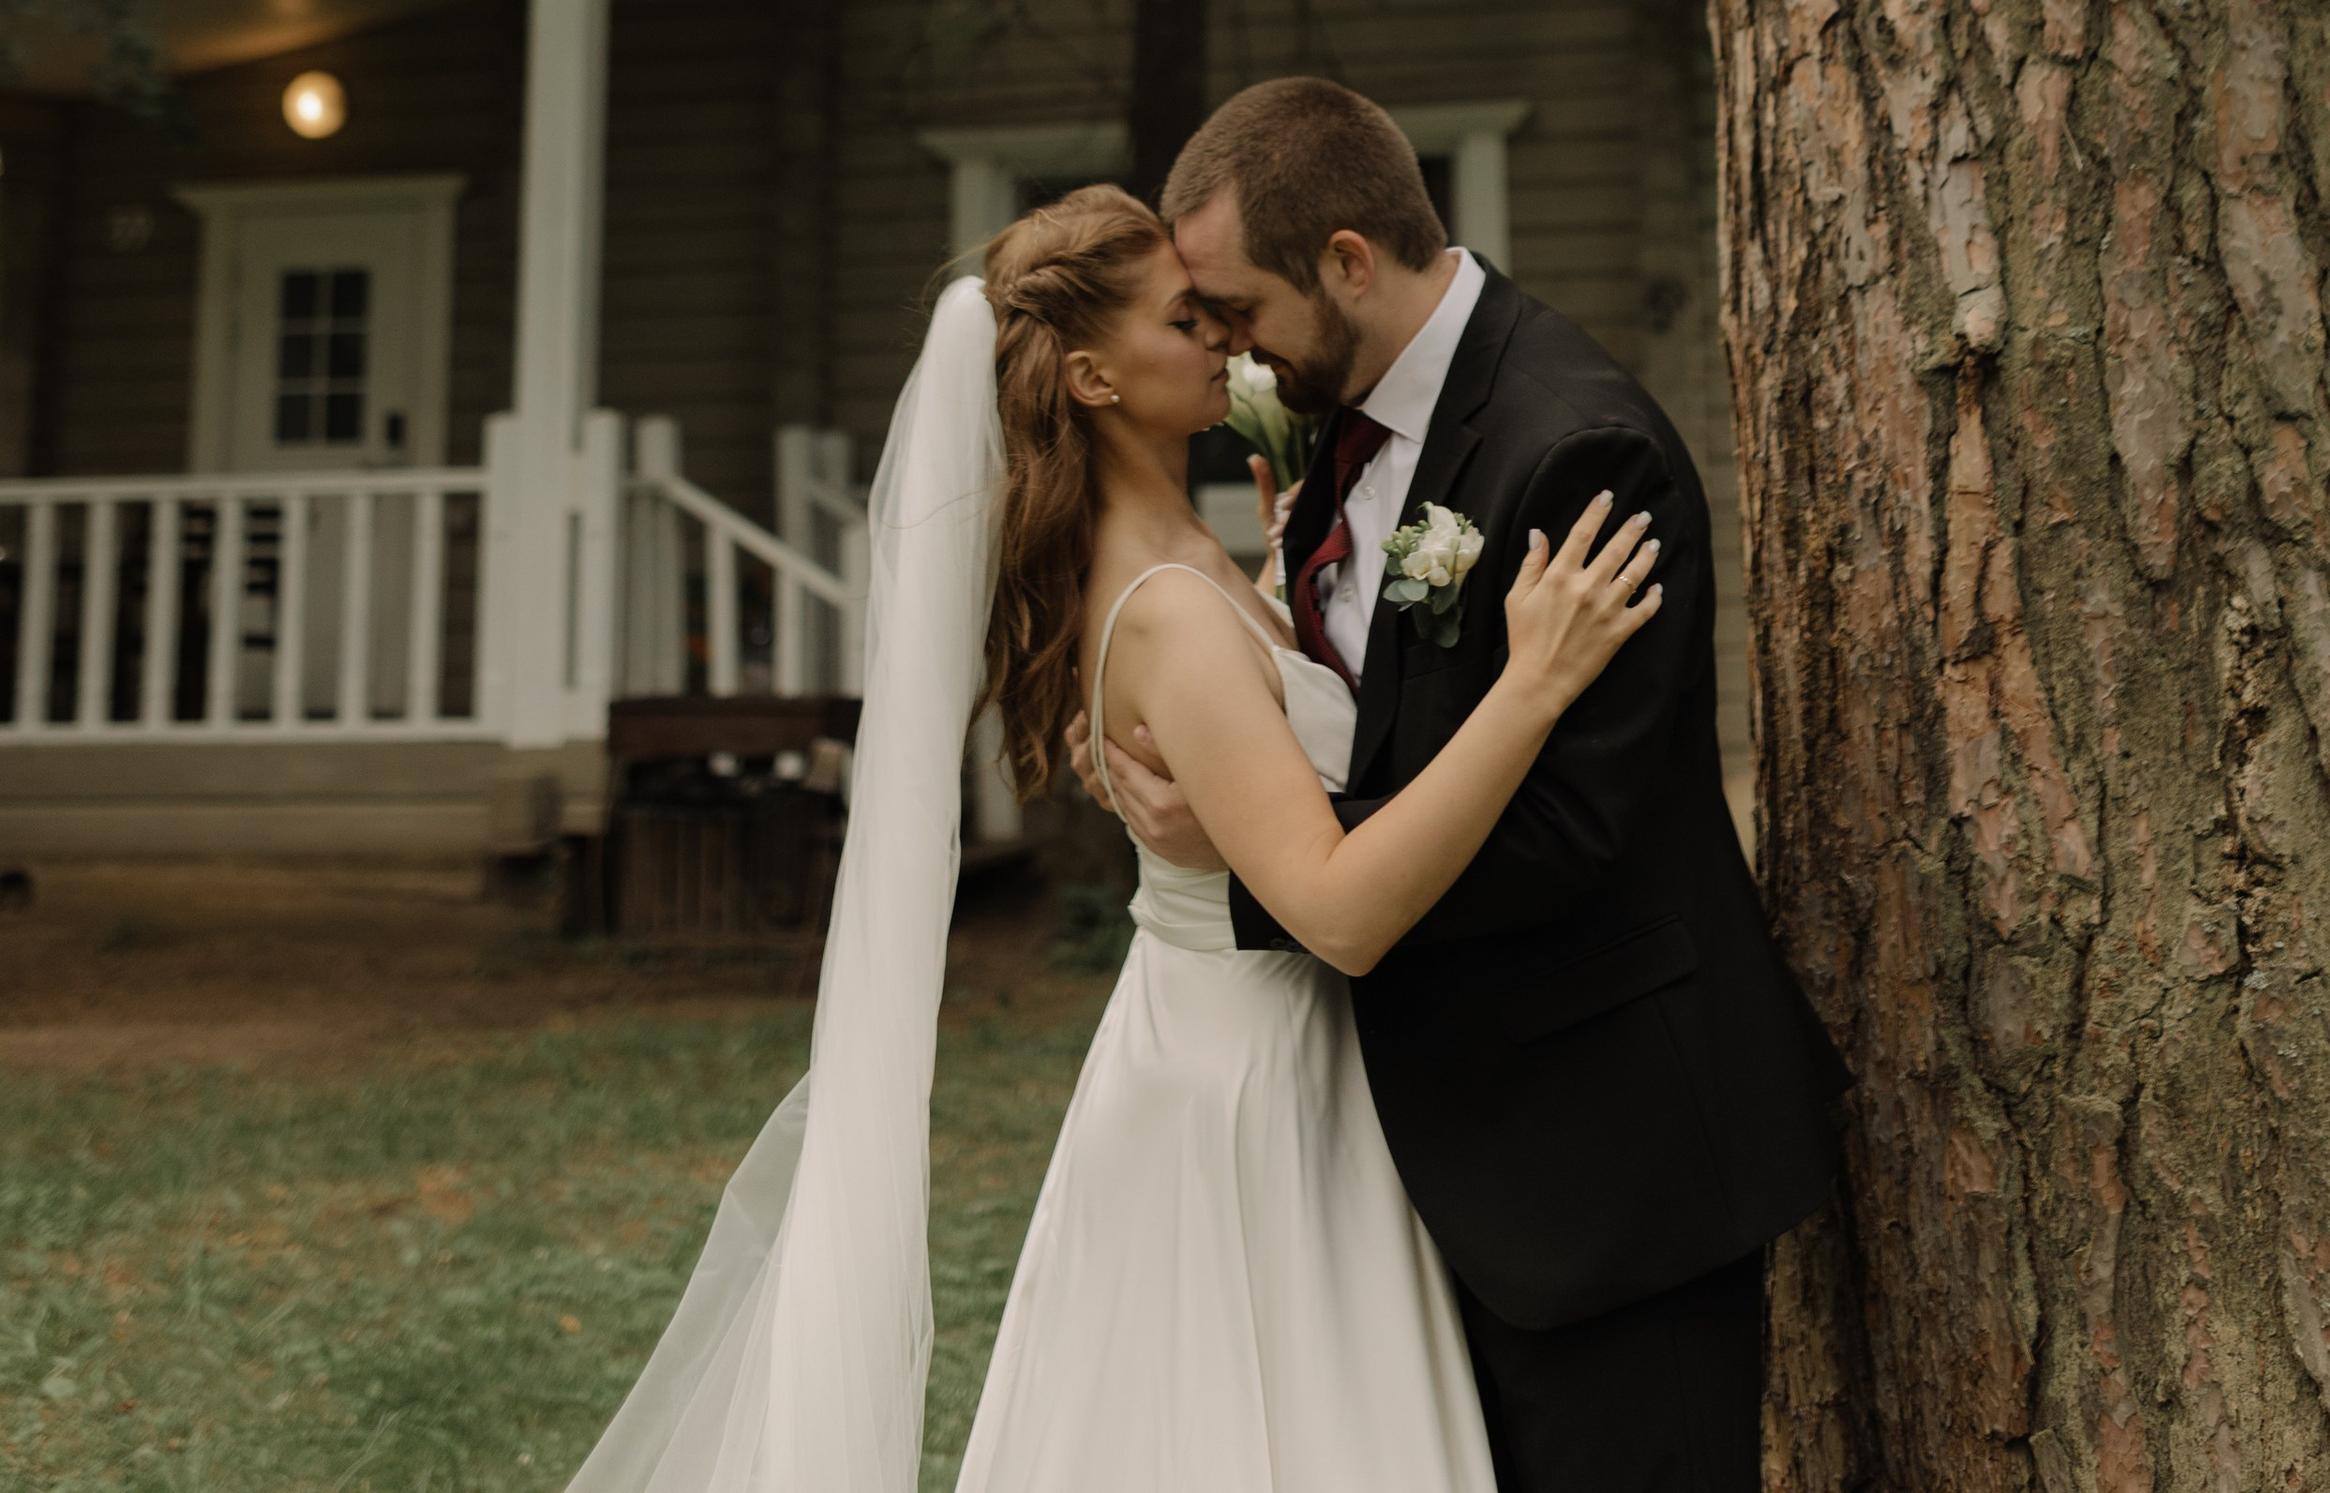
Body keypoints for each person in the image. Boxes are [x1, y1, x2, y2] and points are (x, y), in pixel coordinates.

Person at [559, 185, 1659, 1493]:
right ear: (1089, 374)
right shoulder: (1166, 614)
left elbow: (1264, 733)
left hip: (1227, 1041)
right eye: (1186, 321)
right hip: (1250, 1086)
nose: (1226, 346)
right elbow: (1341, 909)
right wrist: (1533, 685)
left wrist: (1291, 570)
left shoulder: (1187, 560)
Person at [1082, 78, 1846, 1493]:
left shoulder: (1578, 449)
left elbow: (1566, 837)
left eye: (1239, 309)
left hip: (1605, 1166)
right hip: (1434, 1162)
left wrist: (1270, 870)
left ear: (1350, 263)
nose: (1231, 350)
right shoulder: (1341, 435)